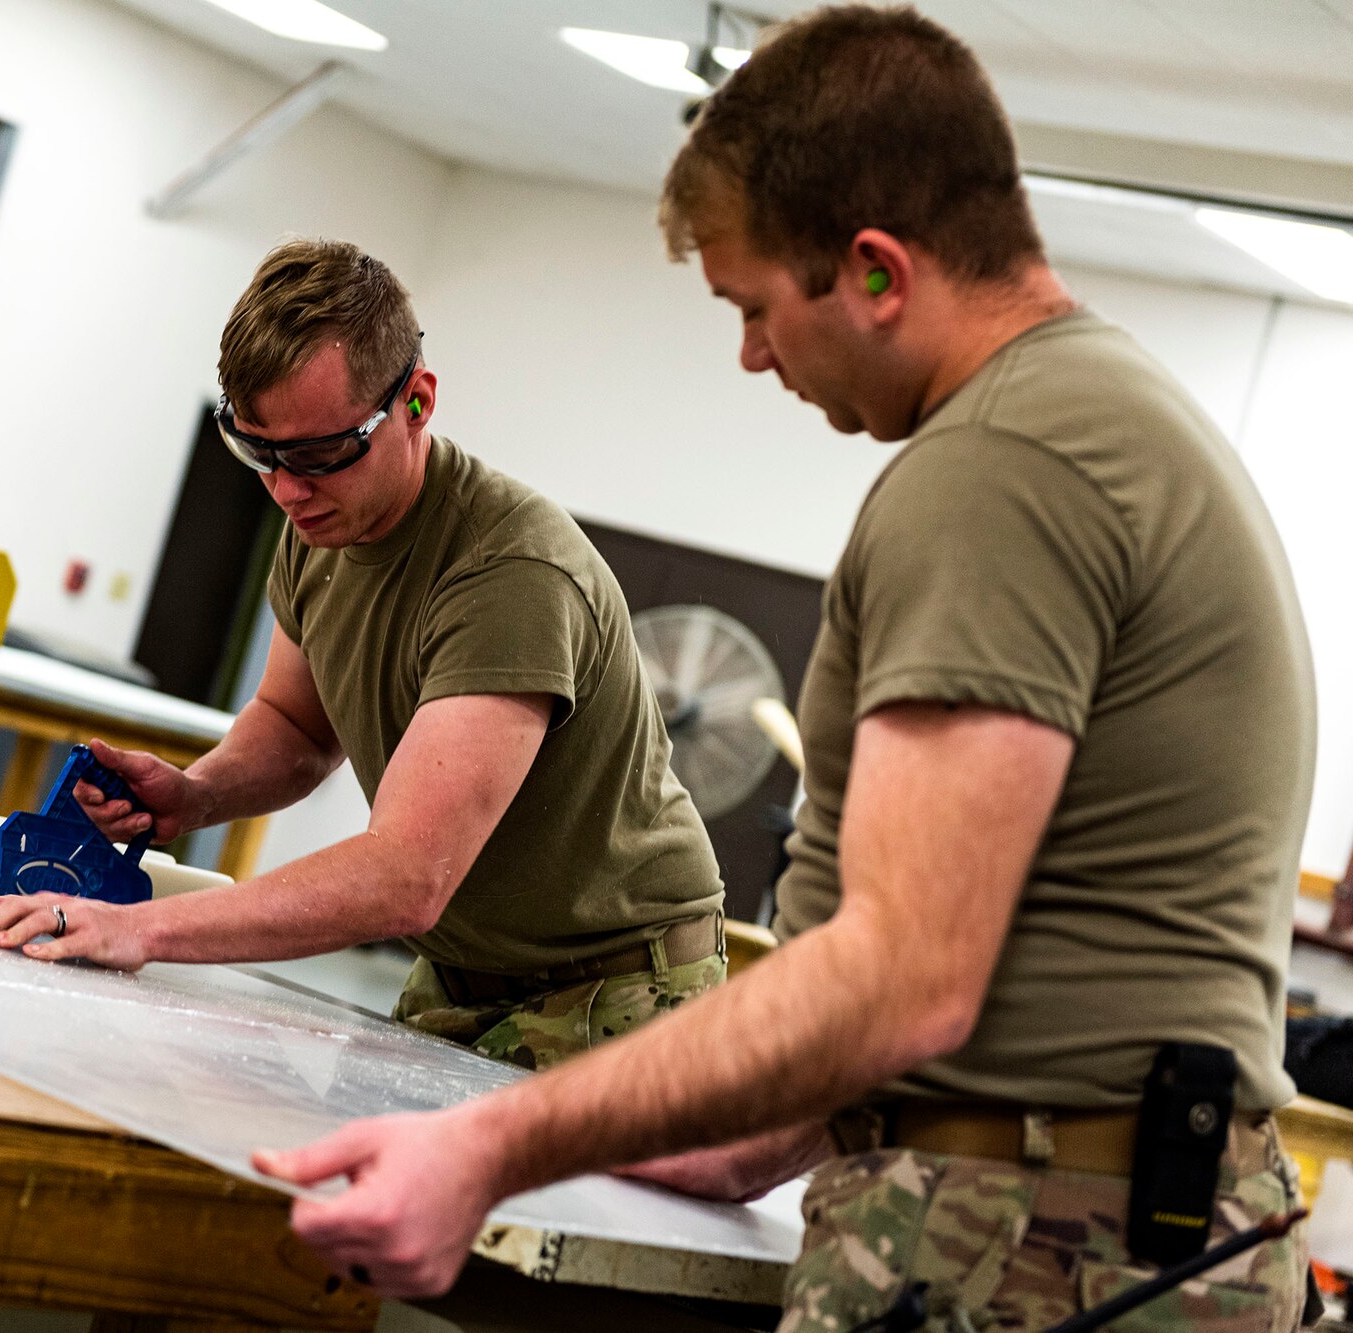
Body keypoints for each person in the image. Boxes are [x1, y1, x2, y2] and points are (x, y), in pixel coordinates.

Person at [250, 8, 1318, 1327]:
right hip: (1082, 1215)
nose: (753, 353)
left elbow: (903, 974)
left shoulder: (1005, 464)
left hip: (1031, 1243)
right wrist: (742, 1142)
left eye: (754, 307)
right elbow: (998, 940)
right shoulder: (1090, 418)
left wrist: (487, 1145)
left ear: (873, 271)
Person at [0, 238, 727, 1071]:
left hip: (620, 992)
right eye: (261, 452)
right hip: (464, 973)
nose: (289, 490)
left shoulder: (511, 573)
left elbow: (407, 875)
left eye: (322, 455)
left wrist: (138, 927)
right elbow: (295, 725)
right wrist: (196, 793)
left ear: (417, 403)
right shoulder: (319, 525)